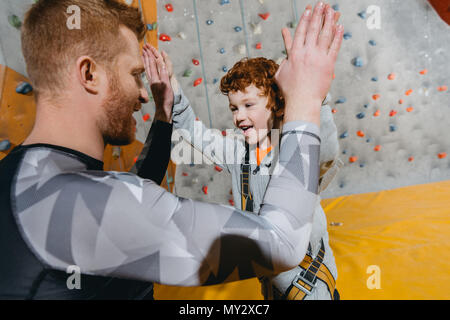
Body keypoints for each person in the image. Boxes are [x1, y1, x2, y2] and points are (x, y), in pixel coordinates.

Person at [0, 0, 343, 299]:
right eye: (134, 74)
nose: (143, 93)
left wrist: (166, 114)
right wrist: (306, 99)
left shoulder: (26, 176)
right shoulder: (88, 202)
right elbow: (281, 244)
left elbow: (134, 190)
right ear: (89, 73)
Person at [143, 3, 342, 300]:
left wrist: (315, 98)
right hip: (272, 286)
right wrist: (171, 87)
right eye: (234, 108)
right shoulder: (240, 152)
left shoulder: (295, 146)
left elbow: (323, 149)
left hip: (309, 288)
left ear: (276, 103)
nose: (239, 116)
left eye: (249, 105)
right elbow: (195, 134)